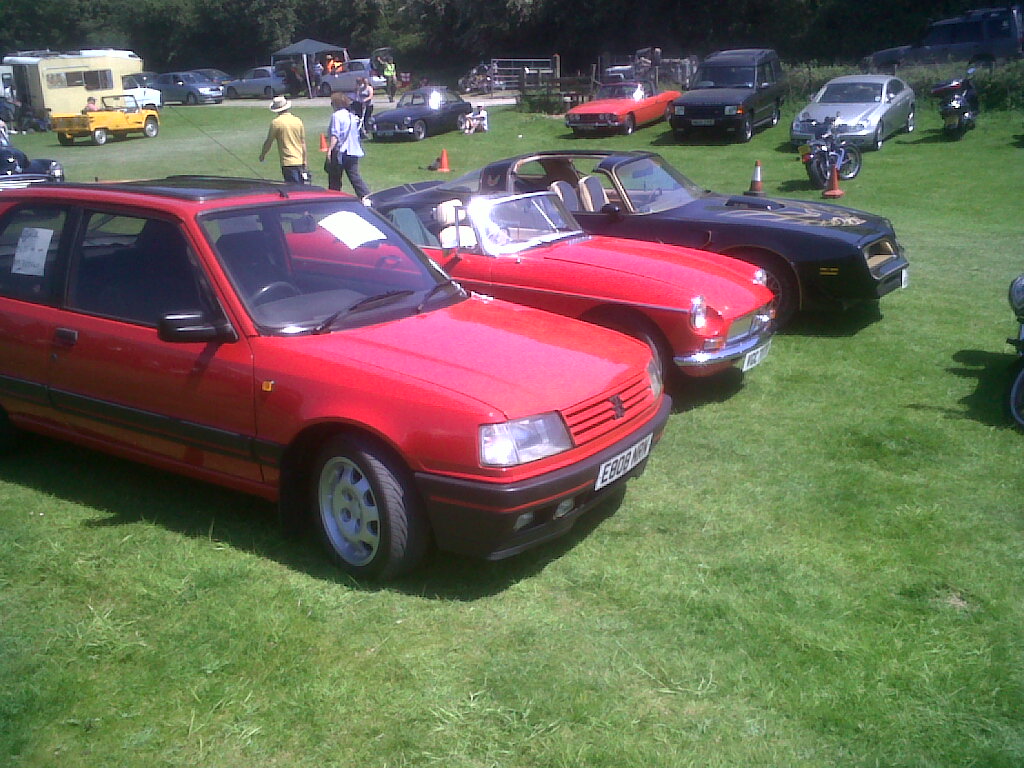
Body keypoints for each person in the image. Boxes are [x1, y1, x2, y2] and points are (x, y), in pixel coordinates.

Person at [326, 92, 369, 200]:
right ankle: (366, 196)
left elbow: (335, 135)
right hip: (353, 150)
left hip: (341, 151)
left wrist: (329, 150)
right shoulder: (351, 116)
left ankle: (333, 198)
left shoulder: (336, 116)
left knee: (334, 178)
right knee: (355, 177)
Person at [259, 95, 309, 184]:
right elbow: (303, 143)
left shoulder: (276, 123)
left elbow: (269, 142)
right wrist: (304, 160)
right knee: (301, 189)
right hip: (299, 160)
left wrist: (263, 154)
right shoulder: (297, 120)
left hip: (287, 162)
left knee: (293, 190)